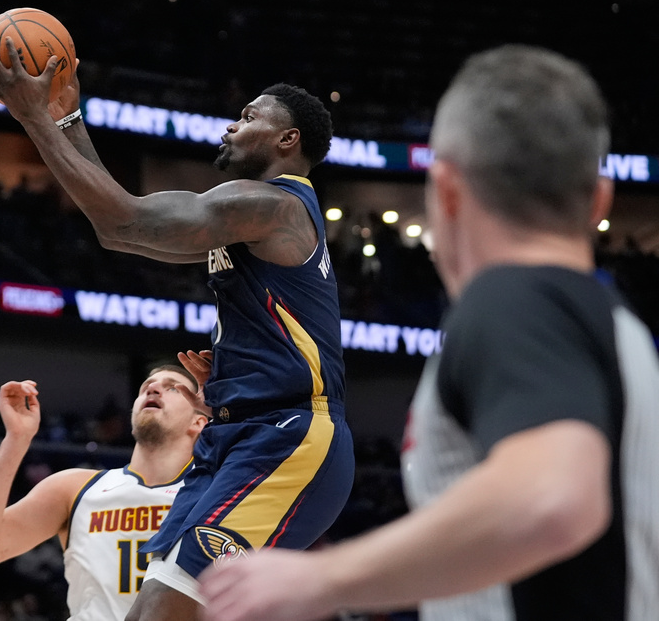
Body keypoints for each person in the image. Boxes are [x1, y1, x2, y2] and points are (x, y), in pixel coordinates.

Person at [197, 44, 659, 621]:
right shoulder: (622, 329)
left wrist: (325, 578)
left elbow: (553, 499)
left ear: (445, 191)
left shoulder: (515, 298)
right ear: (601, 200)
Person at [0, 41, 354, 619]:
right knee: (155, 610)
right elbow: (122, 232)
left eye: (250, 116)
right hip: (236, 436)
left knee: (159, 612)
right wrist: (69, 120)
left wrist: (33, 117)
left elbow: (122, 220)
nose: (232, 125)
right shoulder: (255, 216)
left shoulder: (274, 207)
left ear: (288, 140)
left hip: (287, 438)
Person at [0, 365, 208, 620]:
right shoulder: (75, 489)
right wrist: (16, 439)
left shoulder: (218, 494)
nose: (152, 388)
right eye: (146, 387)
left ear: (199, 421)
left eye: (172, 387)